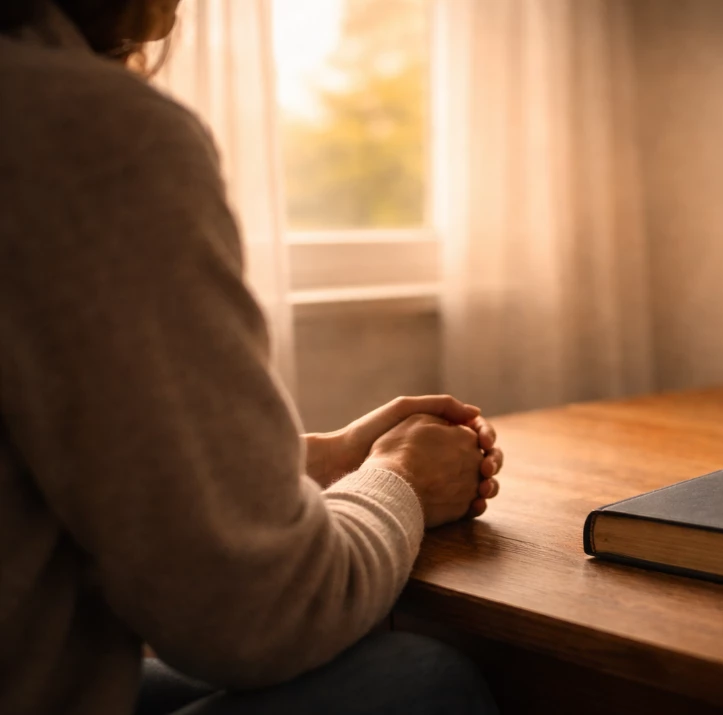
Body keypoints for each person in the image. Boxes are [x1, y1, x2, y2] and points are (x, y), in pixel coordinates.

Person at [0, 1, 500, 713]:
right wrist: (403, 479)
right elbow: (259, 616)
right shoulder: (81, 130)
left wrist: (315, 461)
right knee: (423, 679)